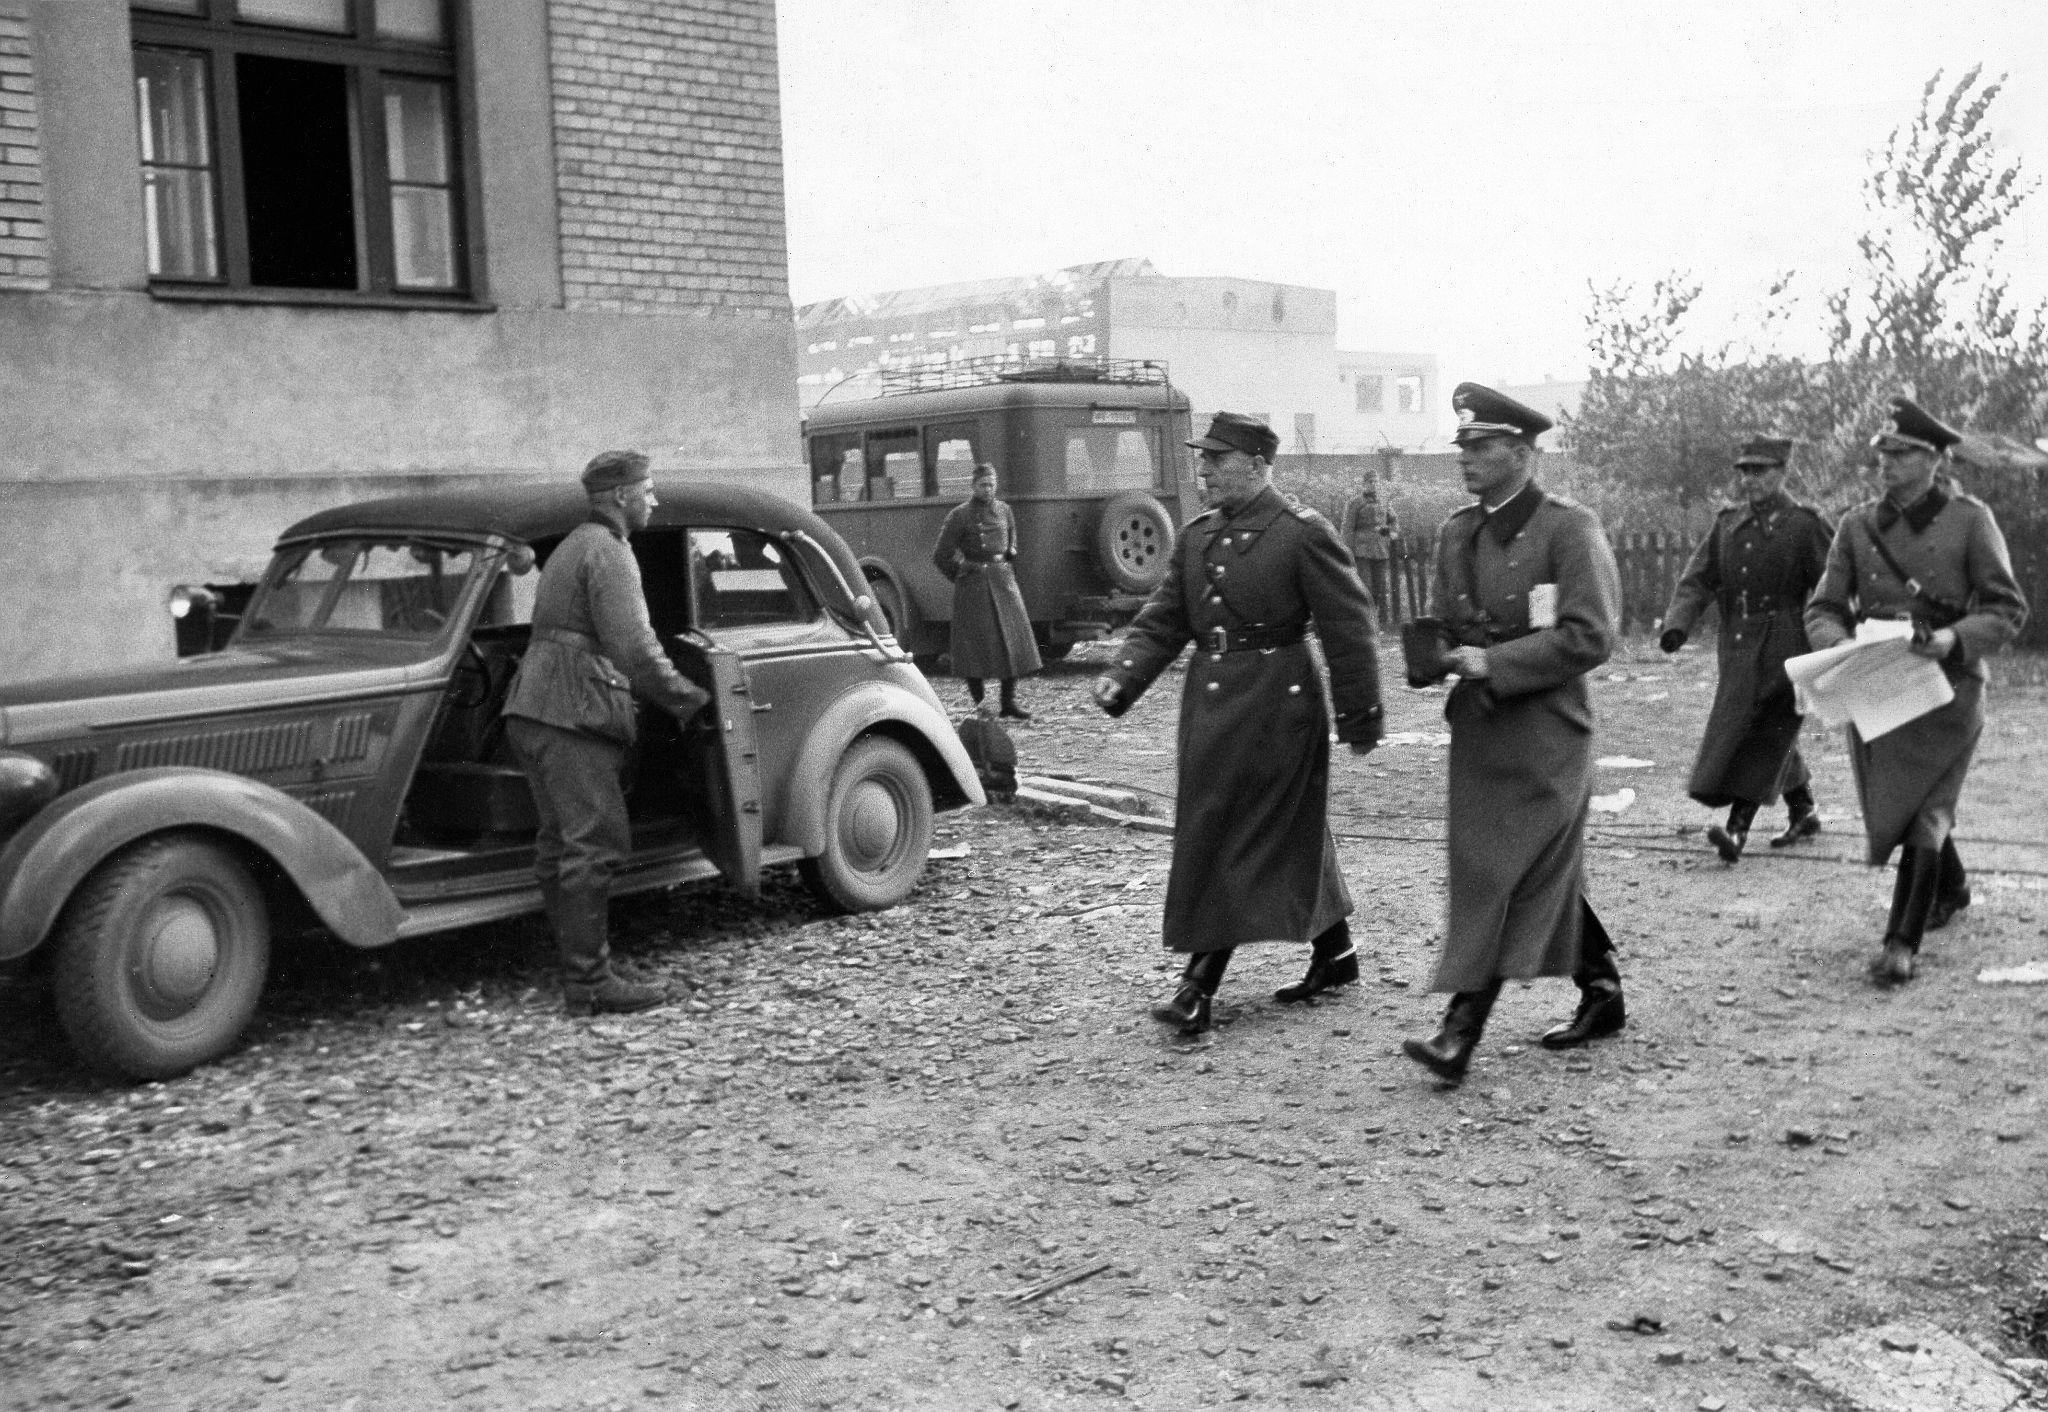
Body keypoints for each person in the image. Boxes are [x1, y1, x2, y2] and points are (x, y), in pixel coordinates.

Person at [1093, 412, 1383, 1035]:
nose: (1204, 471)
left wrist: (1359, 716)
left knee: (1229, 830)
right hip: (1211, 705)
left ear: (1256, 466)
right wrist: (1124, 674)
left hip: (1281, 703)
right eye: (1203, 459)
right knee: (1279, 824)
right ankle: (1336, 953)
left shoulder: (1302, 533)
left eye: (1217, 460)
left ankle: (1199, 983)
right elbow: (1165, 617)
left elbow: (1349, 627)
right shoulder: (1197, 536)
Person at [1401, 383, 1629, 1087]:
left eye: (1482, 446)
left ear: (1524, 454)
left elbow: (1591, 635)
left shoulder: (1569, 529)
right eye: (1463, 446)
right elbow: (1449, 618)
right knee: (1519, 868)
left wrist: (1493, 661)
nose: (1465, 457)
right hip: (1481, 727)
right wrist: (1434, 651)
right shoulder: (1457, 532)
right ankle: (1602, 986)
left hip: (1548, 730)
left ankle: (1459, 1033)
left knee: (1507, 871)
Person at [1804, 396, 2028, 985]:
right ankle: (1951, 887)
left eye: (1901, 453)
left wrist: (1953, 639)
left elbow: (2007, 608)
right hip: (1879, 684)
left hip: (1948, 688)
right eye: (1883, 452)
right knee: (1907, 799)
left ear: (1934, 460)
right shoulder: (1856, 525)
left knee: (1925, 807)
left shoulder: (1970, 520)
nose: (1886, 462)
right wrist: (1841, 646)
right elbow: (1824, 606)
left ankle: (1899, 942)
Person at [502, 450, 710, 1016]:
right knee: (592, 845)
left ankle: (581, 968)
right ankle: (591, 983)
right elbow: (634, 648)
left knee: (560, 844)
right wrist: (688, 699)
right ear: (621, 495)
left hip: (535, 708)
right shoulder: (610, 551)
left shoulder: (575, 544)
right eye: (649, 489)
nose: (655, 500)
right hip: (574, 712)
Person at [1658, 437, 1835, 861]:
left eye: (1761, 471)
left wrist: (1839, 634)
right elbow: (1698, 578)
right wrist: (1678, 624)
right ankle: (1803, 808)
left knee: (1763, 730)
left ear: (1782, 472)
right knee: (1760, 727)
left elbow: (1835, 582)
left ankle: (1736, 831)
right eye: (1745, 471)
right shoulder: (1728, 525)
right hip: (1737, 645)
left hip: (1787, 643)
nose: (1750, 479)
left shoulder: (1804, 525)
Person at [932, 462, 1042, 720]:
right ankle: (981, 704)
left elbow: (1012, 539)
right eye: (983, 485)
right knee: (974, 648)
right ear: (973, 486)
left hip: (1004, 582)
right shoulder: (959, 516)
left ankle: (1008, 703)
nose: (988, 489)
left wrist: (1010, 555)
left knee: (1012, 641)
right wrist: (962, 574)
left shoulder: (1005, 510)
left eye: (992, 484)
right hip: (974, 588)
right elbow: (940, 555)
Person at [1338, 467, 1399, 614]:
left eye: (1376, 482)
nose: (1373, 484)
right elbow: (1347, 528)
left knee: (1378, 588)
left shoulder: (1384, 502)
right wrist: (1347, 551)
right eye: (1370, 482)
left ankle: (1373, 618)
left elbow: (1394, 521)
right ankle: (1363, 618)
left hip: (1380, 550)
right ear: (1364, 484)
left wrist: (1391, 532)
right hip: (1362, 550)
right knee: (1365, 586)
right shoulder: (1355, 503)